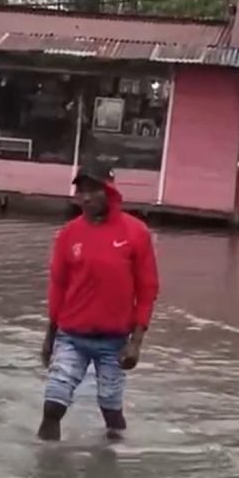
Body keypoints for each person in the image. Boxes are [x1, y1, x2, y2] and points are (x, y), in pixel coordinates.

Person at [39, 160, 159, 441]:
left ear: (110, 190)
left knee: (112, 412)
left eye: (94, 189)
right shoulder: (68, 234)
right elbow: (58, 287)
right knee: (52, 406)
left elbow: (148, 289)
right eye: (81, 190)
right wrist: (49, 336)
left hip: (114, 342)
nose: (87, 196)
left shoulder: (136, 233)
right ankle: (45, 470)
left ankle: (113, 467)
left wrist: (136, 343)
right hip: (71, 336)